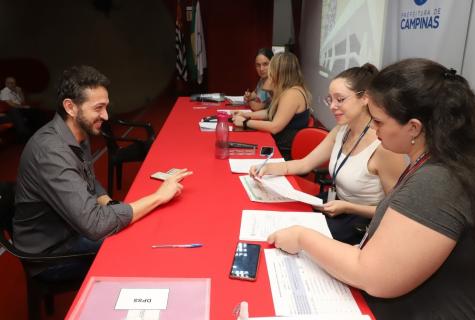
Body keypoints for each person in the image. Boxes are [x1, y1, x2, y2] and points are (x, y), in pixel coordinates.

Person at [267, 58, 475, 319]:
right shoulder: (439, 163)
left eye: (379, 122)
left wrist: (302, 237)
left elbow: (373, 275)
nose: (375, 128)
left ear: (414, 127)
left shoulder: (437, 180)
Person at [13, 65, 193, 281]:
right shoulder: (51, 153)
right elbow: (95, 225)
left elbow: (89, 179)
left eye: (106, 107)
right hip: (51, 254)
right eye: (98, 108)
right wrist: (158, 197)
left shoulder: (78, 132)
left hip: (72, 228)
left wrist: (109, 203)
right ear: (70, 107)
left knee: (140, 231)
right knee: (140, 253)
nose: (106, 116)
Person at [251, 64, 406, 244]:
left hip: (360, 221)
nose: (333, 106)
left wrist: (349, 207)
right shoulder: (342, 130)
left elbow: (393, 211)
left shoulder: (384, 147)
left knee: (296, 239)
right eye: (330, 99)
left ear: (365, 98)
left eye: (340, 99)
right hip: (336, 205)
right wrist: (268, 168)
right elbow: (305, 164)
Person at [233, 52, 311, 160]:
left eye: (271, 69)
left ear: (280, 72)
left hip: (284, 152)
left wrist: (245, 123)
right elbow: (269, 112)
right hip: (280, 144)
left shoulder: (292, 94)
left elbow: (274, 127)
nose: (269, 72)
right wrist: (245, 115)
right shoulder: (288, 89)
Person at [0, 76, 35, 142]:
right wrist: (23, 107)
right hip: (11, 111)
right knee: (15, 113)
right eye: (10, 83)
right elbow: (12, 105)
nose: (12, 84)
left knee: (31, 111)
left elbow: (23, 102)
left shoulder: (17, 90)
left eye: (13, 83)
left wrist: (20, 93)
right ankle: (26, 134)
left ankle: (28, 134)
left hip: (17, 111)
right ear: (6, 84)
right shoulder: (4, 92)